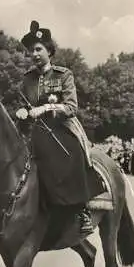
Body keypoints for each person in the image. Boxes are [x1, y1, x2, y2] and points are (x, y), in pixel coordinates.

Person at [17, 21, 105, 235]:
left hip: (61, 128)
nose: (34, 54)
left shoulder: (63, 75)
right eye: (31, 51)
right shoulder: (27, 79)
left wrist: (46, 107)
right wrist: (20, 111)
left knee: (71, 154)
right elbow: (23, 104)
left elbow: (71, 107)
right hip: (34, 131)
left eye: (39, 49)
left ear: (49, 51)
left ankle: (81, 210)